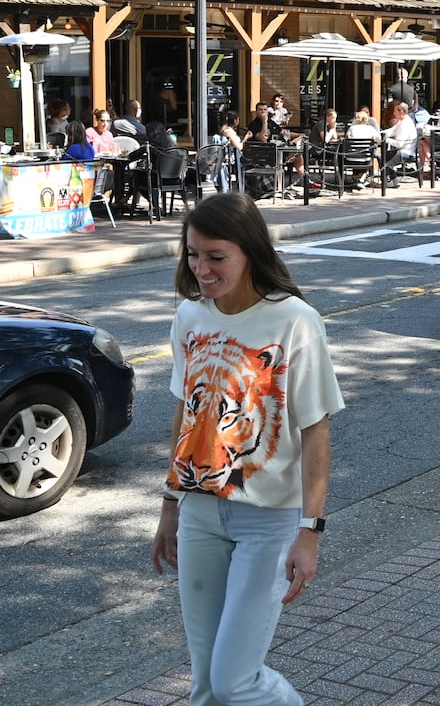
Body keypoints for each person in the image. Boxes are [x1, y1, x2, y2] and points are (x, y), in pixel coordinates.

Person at [150, 193, 344, 706]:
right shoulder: (190, 317)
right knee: (207, 684)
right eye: (193, 254)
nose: (201, 268)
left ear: (250, 252)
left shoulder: (295, 320)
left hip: (268, 522)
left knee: (237, 679)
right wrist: (170, 504)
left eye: (216, 256)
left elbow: (315, 432)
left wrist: (310, 531)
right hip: (198, 512)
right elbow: (186, 417)